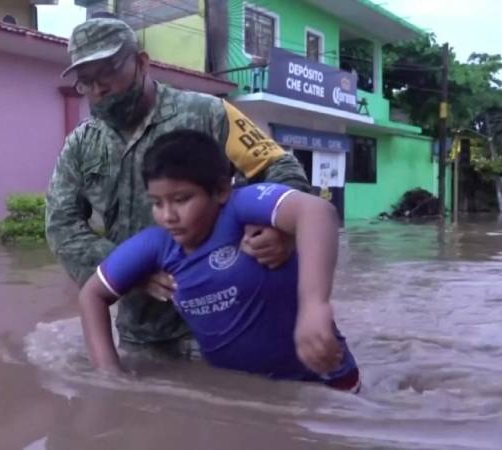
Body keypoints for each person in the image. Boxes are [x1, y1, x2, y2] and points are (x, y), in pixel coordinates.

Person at [46, 18, 311, 358]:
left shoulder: (208, 113)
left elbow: (278, 165)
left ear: (142, 63)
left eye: (108, 71)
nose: (98, 89)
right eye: (86, 81)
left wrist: (280, 230)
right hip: (144, 334)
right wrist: (126, 269)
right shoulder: (82, 145)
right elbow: (61, 225)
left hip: (231, 323)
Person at [78, 130, 360, 391]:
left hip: (326, 382)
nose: (168, 215)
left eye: (181, 199)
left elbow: (318, 212)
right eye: (157, 203)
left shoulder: (241, 210)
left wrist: (315, 306)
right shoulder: (156, 245)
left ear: (221, 190)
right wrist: (109, 375)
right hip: (242, 392)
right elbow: (92, 294)